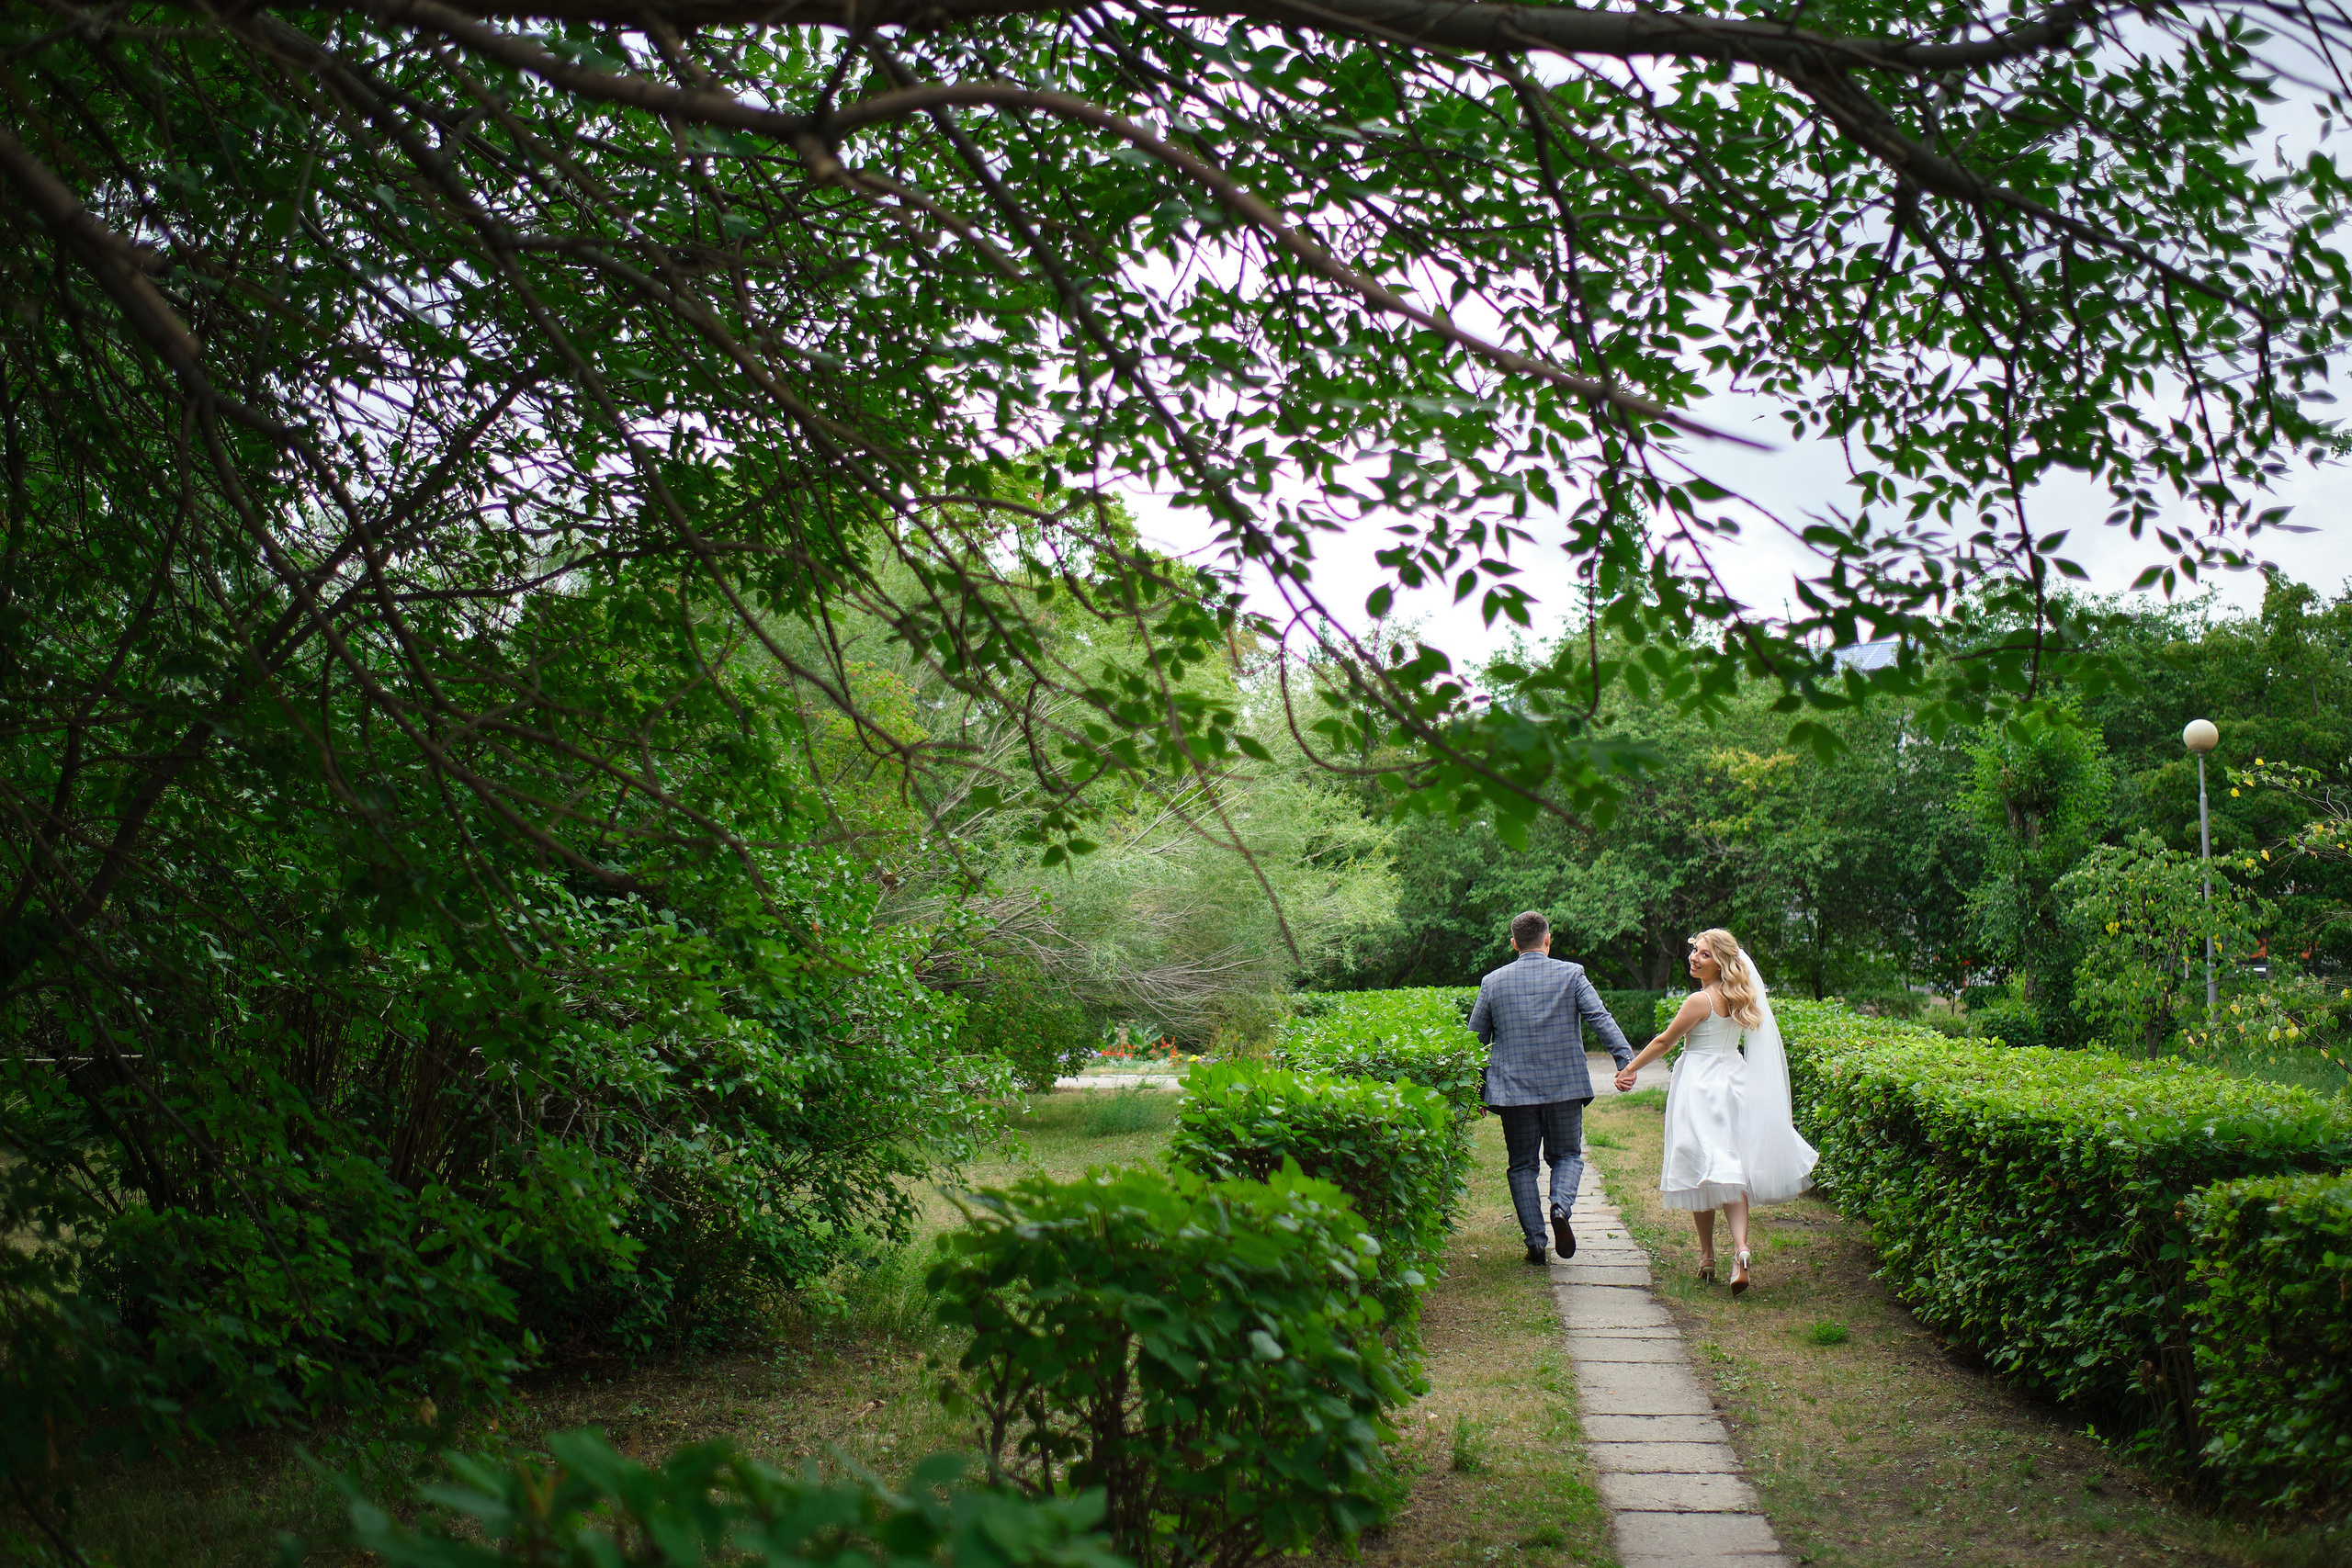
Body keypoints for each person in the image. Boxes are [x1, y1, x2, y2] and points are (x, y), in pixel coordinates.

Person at [1612, 928, 1816, 1295]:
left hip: (1701, 1084)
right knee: (1729, 1167)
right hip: (1734, 1079)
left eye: (1704, 954)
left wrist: (1629, 1069)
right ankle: (1740, 1250)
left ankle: (1708, 1254)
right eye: (1694, 951)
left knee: (1699, 1166)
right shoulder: (1740, 997)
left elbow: (1665, 1041)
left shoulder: (1699, 1001)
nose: (1694, 957)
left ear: (1720, 961)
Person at [1468, 910, 1636, 1266]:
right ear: (1548, 939)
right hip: (1565, 1086)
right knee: (1567, 1155)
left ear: (1514, 944)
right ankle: (1560, 1208)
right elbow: (1599, 1017)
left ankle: (1535, 1241)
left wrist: (1474, 1089)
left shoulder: (1492, 982)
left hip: (1513, 1092)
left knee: (1522, 1165)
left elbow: (1475, 1040)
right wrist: (1625, 1060)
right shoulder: (1572, 973)